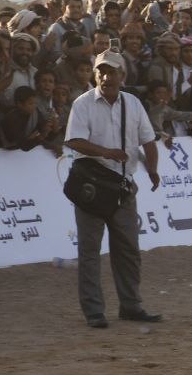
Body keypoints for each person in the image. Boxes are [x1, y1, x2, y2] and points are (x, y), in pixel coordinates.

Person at [63, 50, 163, 329]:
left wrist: (153, 169)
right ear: (95, 74)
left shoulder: (133, 103)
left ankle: (131, 305)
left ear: (123, 75)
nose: (106, 76)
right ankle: (94, 311)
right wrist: (106, 152)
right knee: (90, 250)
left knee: (128, 249)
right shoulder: (83, 103)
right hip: (92, 185)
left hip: (122, 185)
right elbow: (74, 141)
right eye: (101, 71)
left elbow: (148, 141)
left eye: (112, 71)